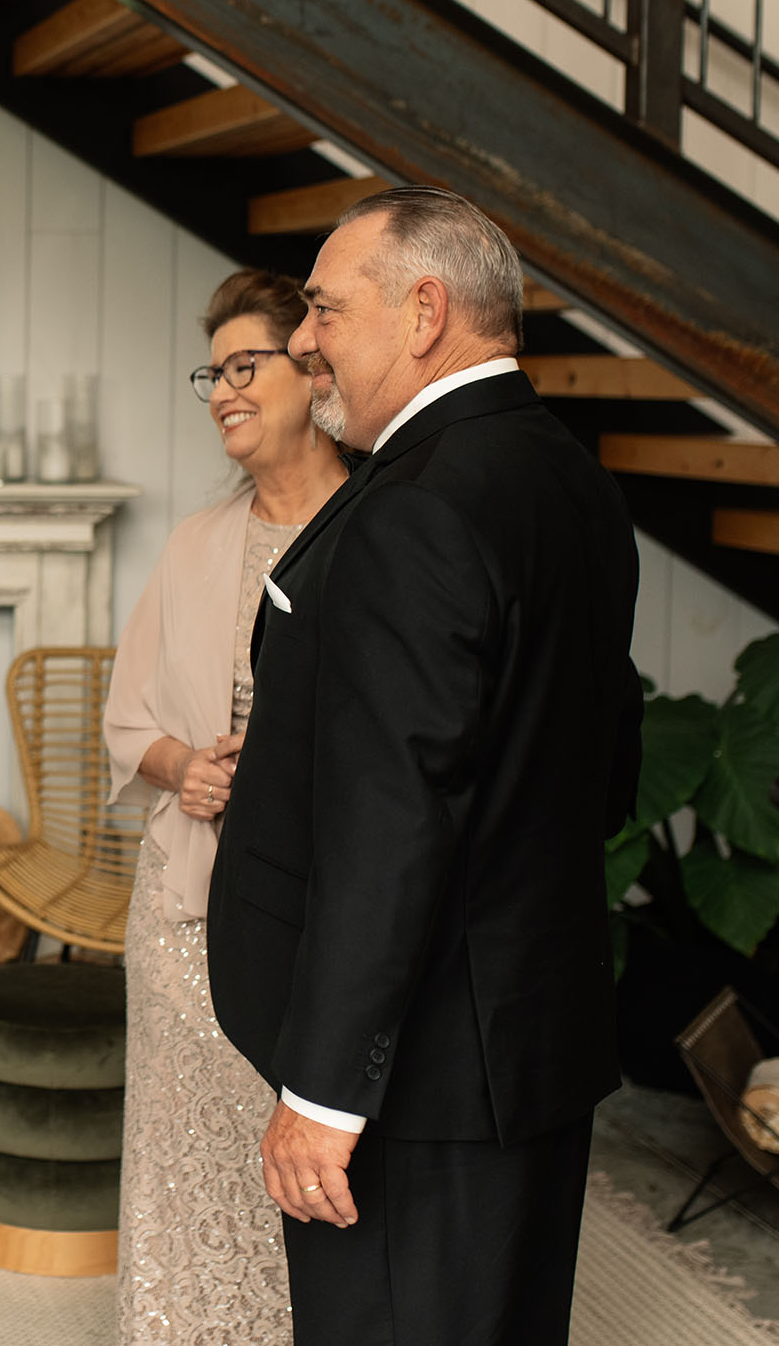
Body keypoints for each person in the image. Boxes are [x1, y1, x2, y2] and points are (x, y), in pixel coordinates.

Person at [206, 186, 643, 1345]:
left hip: (418, 1072)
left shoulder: (417, 504)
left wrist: (324, 1092)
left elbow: (392, 822)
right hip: (528, 1038)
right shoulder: (569, 479)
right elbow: (601, 760)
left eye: (324, 309)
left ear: (424, 311)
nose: (303, 341)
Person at [105, 268, 347, 1343]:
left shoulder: (381, 527)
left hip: (323, 910)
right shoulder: (195, 542)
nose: (221, 392)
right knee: (183, 1160)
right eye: (214, 372)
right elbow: (125, 721)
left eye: (245, 366)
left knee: (302, 1158)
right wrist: (180, 769)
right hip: (183, 908)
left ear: (313, 368)